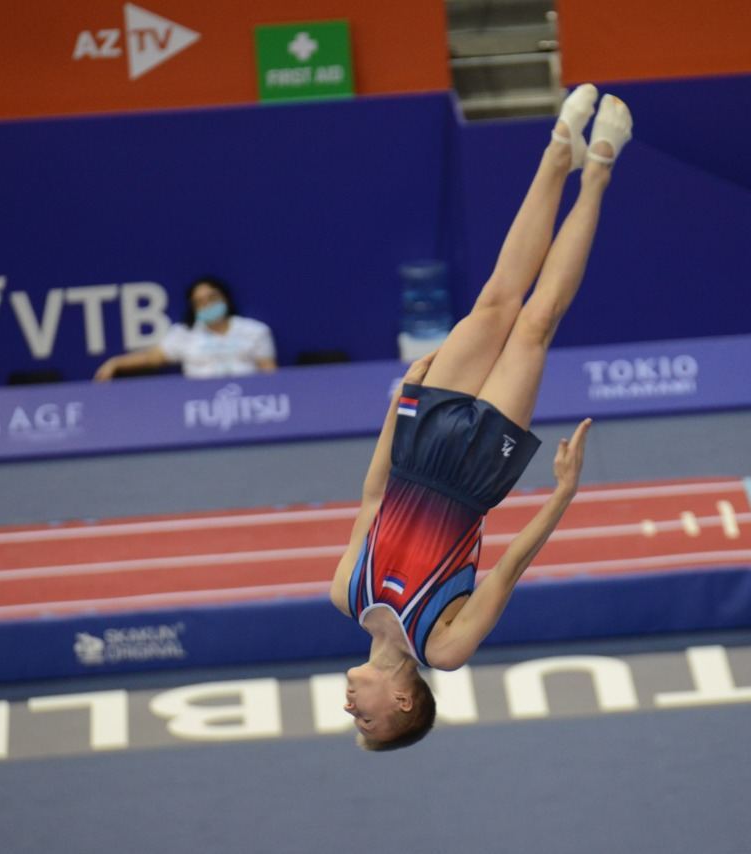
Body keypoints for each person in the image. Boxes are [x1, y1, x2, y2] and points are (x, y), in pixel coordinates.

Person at [329, 85, 632, 750]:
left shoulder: (345, 593)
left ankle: (559, 152)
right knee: (536, 323)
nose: (350, 708)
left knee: (496, 301)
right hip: (473, 476)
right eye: (366, 718)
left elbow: (373, 496)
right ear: (403, 701)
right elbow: (508, 569)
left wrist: (400, 404)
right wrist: (562, 493)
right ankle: (599, 173)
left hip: (415, 449)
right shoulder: (444, 646)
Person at [93, 276, 276, 380]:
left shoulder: (255, 331)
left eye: (212, 298)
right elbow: (151, 358)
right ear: (194, 308)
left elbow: (271, 376)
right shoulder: (183, 334)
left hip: (249, 404)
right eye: (200, 302)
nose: (207, 305)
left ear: (225, 299)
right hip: (199, 406)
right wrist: (115, 363)